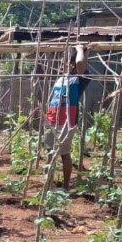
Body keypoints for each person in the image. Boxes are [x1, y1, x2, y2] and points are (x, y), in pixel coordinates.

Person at [43, 44, 89, 191]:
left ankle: (65, 187)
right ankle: (48, 185)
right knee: (50, 152)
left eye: (65, 62)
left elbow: (81, 64)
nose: (62, 65)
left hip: (66, 122)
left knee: (64, 154)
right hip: (51, 119)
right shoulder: (61, 78)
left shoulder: (79, 78)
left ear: (72, 64)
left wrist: (80, 49)